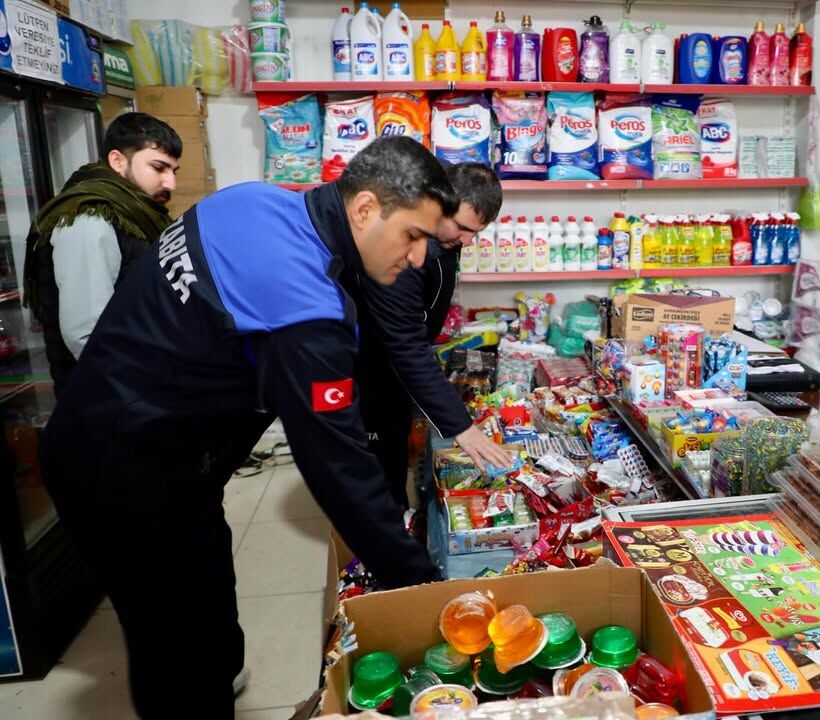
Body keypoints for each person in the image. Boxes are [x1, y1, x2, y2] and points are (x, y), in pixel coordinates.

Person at [39, 137, 451, 718]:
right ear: (364, 210)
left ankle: (216, 678)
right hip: (119, 468)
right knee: (172, 644)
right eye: (413, 235)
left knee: (206, 590)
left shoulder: (254, 201)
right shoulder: (305, 308)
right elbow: (339, 465)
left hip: (151, 445)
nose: (417, 258)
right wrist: (421, 582)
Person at [353, 163, 511, 508]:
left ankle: (399, 522)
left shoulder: (444, 239)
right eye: (464, 228)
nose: (468, 240)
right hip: (364, 371)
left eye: (477, 233)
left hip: (395, 372)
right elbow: (404, 346)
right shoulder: (402, 247)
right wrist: (461, 427)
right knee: (374, 476)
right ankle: (376, 545)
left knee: (393, 458)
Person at [24, 112, 182, 394]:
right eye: (159, 168)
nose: (171, 184)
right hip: (109, 400)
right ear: (118, 161)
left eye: (173, 171)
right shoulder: (90, 218)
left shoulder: (136, 213)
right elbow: (88, 335)